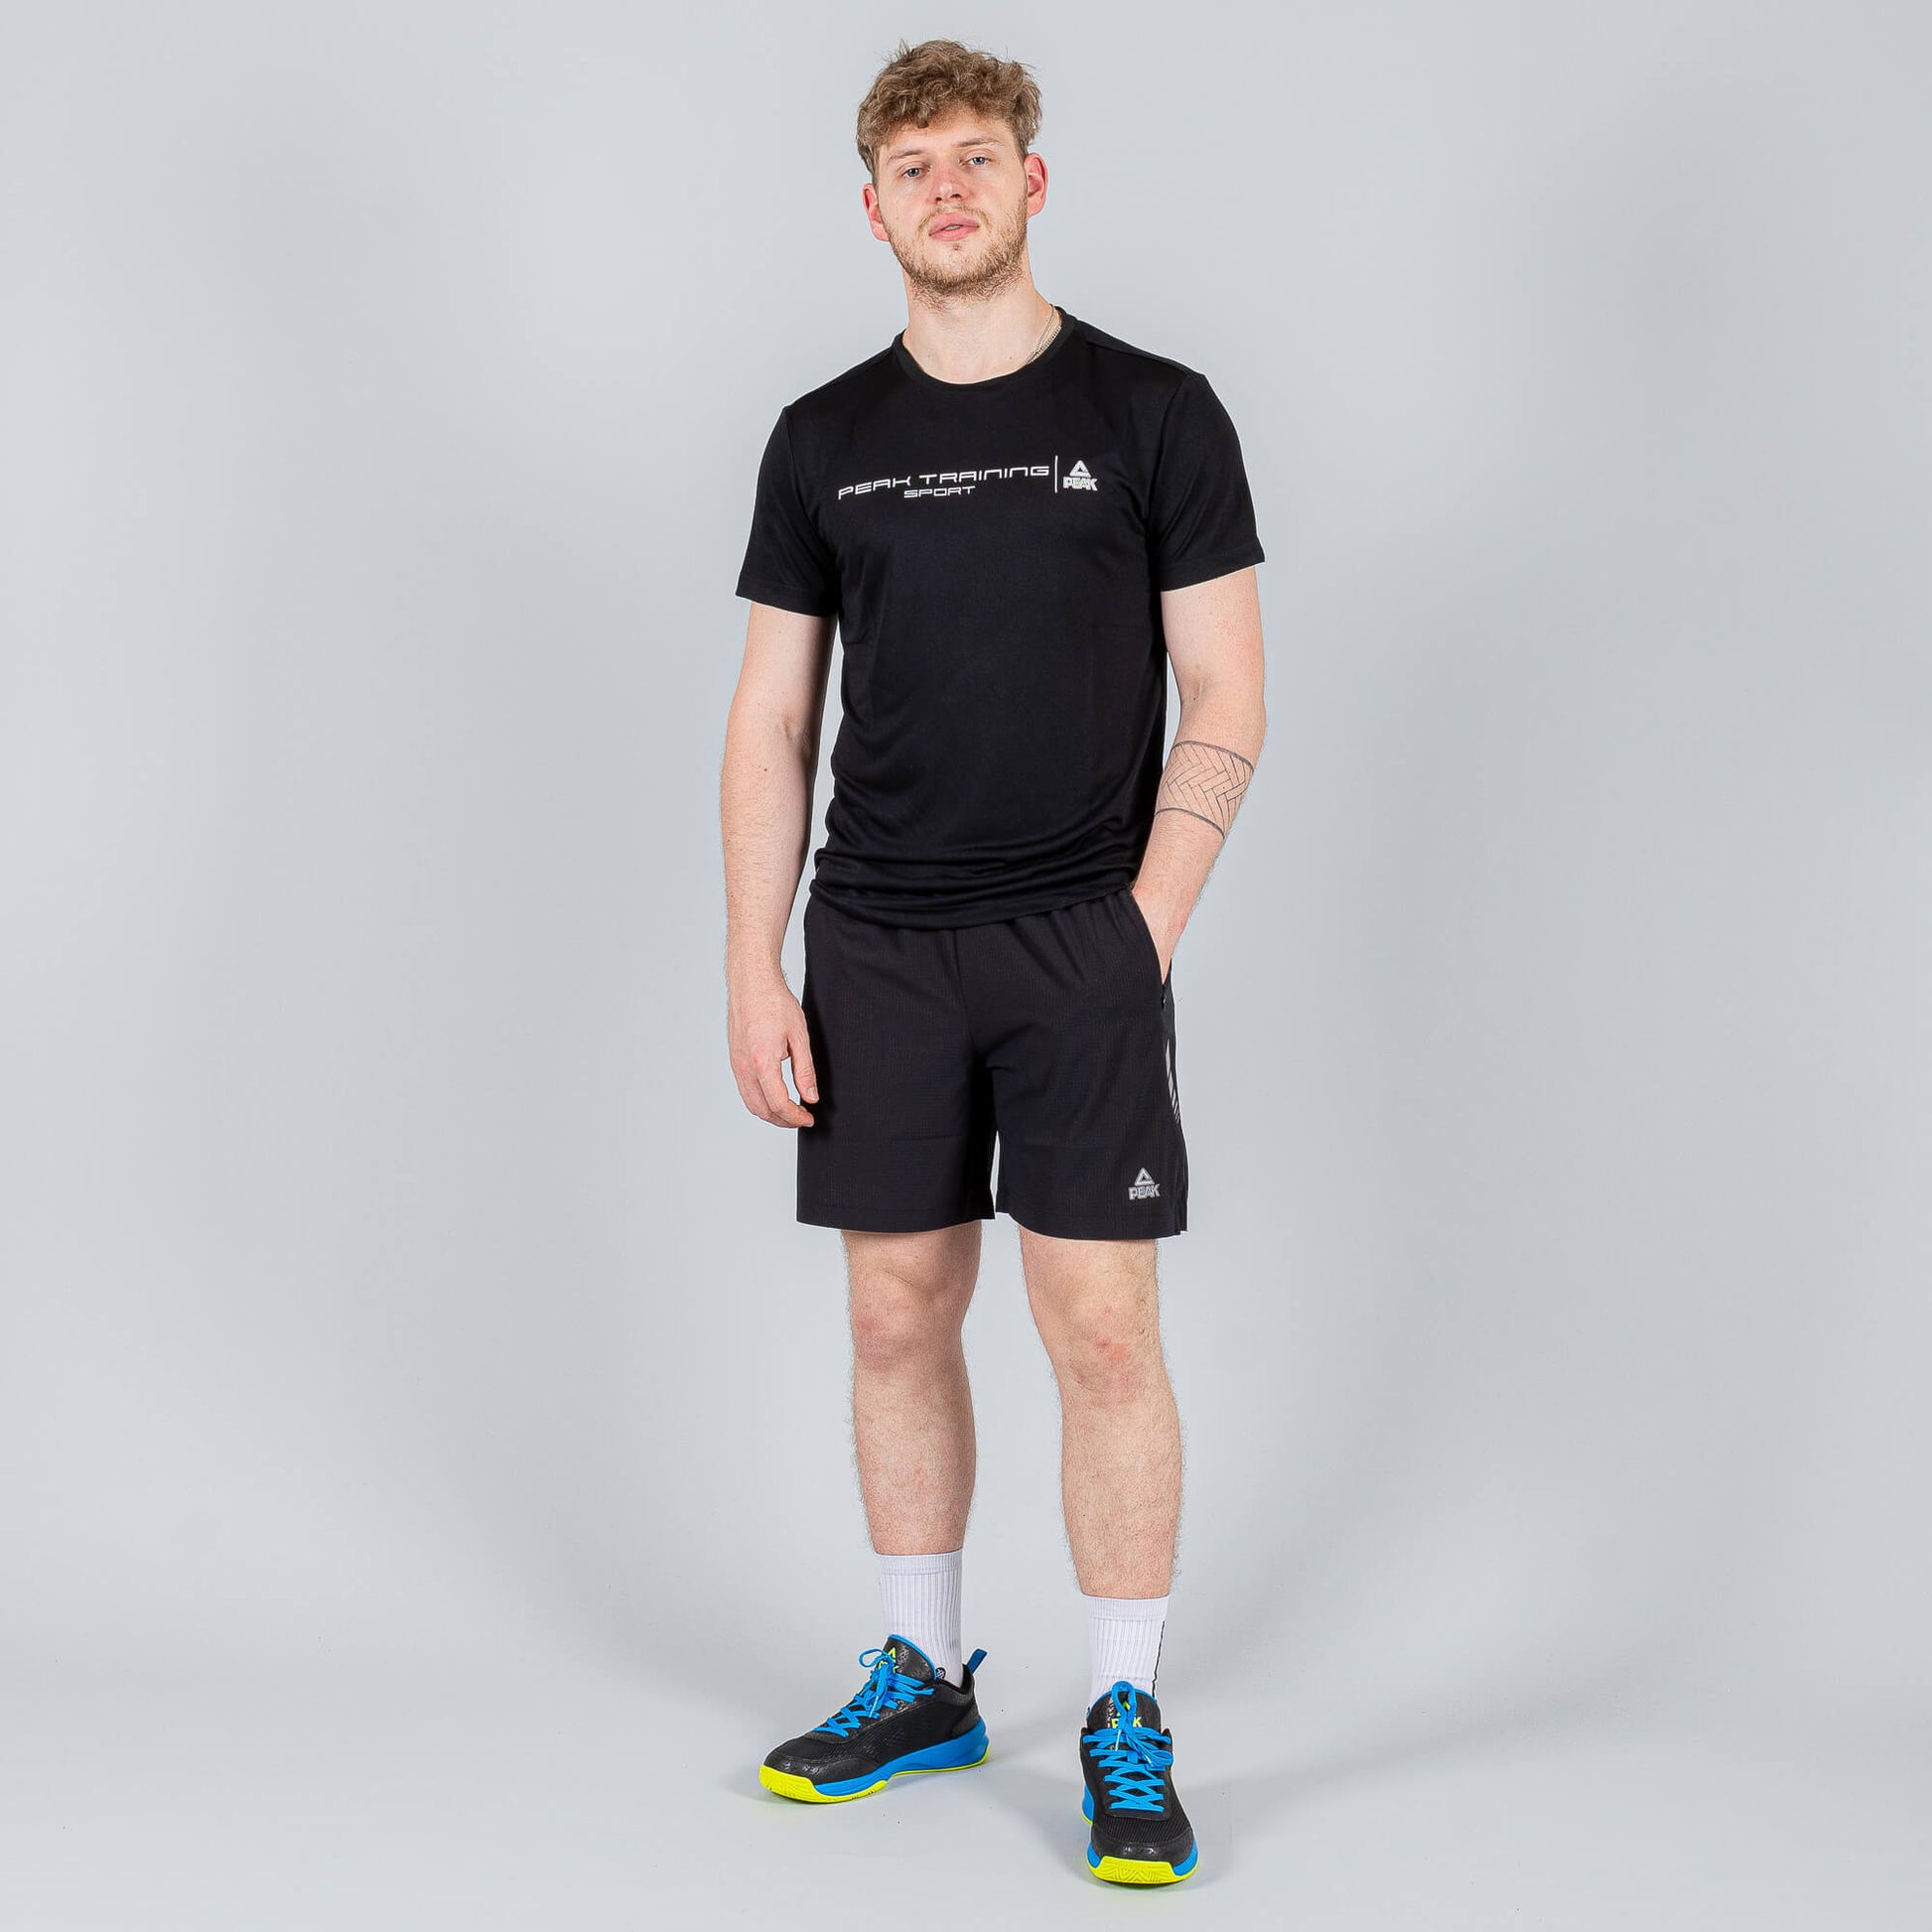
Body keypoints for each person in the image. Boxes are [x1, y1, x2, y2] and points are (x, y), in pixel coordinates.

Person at [720, 38, 1266, 1886]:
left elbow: (1228, 691)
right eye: (911, 165)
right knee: (893, 1310)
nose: (944, 188)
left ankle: (1123, 1706)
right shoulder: (820, 438)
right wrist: (753, 961)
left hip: (1075, 936)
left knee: (1098, 1325)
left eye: (974, 155)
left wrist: (1143, 929)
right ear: (869, 207)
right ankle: (922, 1672)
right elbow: (768, 720)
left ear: (1033, 181)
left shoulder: (1156, 410)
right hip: (874, 938)